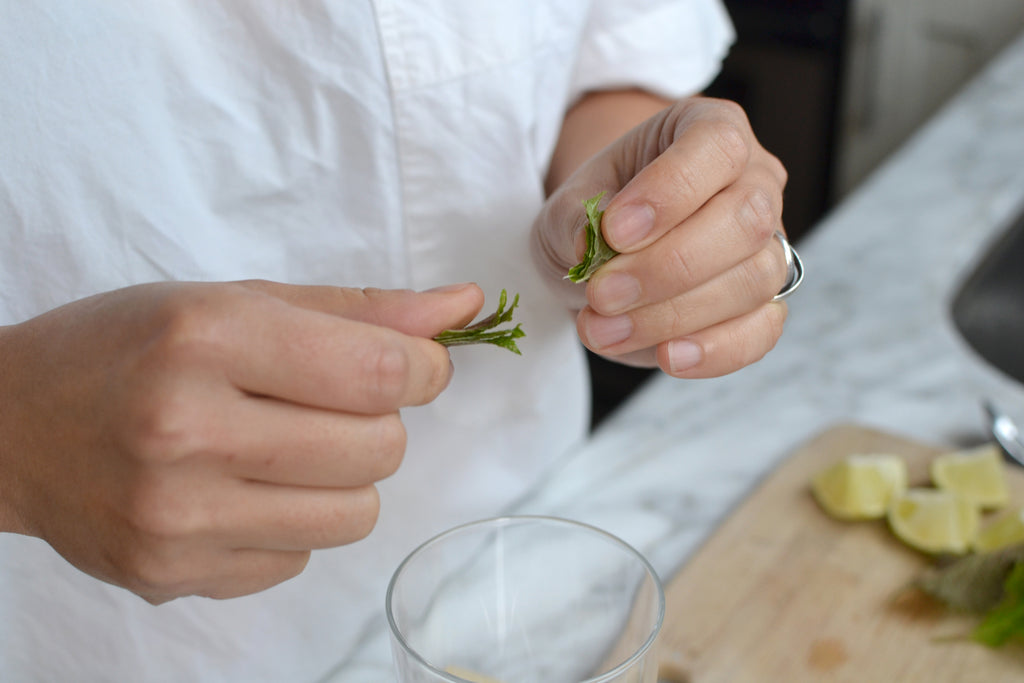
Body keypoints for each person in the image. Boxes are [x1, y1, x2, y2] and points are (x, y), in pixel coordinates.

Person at [0, 1, 791, 679]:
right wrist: (19, 435)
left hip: (523, 562)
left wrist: (645, 211)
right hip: (95, 628)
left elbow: (610, 55)